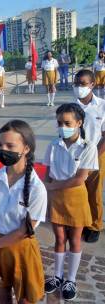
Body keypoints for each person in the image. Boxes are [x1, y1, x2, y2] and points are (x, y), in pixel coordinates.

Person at [0, 120, 47, 304]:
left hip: (22, 249)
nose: (3, 149)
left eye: (10, 145)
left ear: (26, 149)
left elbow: (23, 232)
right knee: (2, 300)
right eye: (0, 144)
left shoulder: (36, 188)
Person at [43, 103, 97, 301]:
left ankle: (70, 279)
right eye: (59, 123)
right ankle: (57, 276)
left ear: (79, 123)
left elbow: (79, 178)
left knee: (74, 239)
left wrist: (51, 187)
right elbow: (46, 174)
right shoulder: (53, 145)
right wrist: (45, 190)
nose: (62, 126)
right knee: (58, 238)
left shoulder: (88, 146)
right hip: (56, 198)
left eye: (67, 122)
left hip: (76, 198)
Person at [74, 69, 105, 243]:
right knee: (78, 190)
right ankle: (81, 221)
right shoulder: (72, 107)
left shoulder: (102, 105)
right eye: (76, 84)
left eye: (83, 84)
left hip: (97, 152)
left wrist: (93, 156)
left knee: (94, 192)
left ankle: (94, 225)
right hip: (76, 154)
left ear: (92, 84)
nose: (79, 87)